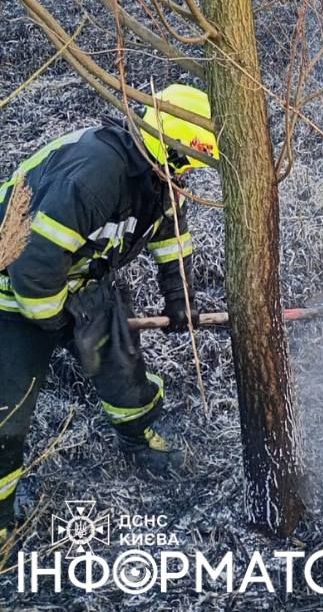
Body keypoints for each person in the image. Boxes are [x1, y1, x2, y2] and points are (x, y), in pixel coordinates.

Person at [0, 84, 217, 536]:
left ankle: (137, 439)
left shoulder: (157, 178)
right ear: (169, 151)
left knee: (122, 369)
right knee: (8, 410)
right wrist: (59, 322)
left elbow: (171, 238)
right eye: (187, 165)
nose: (188, 177)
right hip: (11, 291)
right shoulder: (96, 173)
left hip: (82, 281)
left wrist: (180, 300)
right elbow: (32, 267)